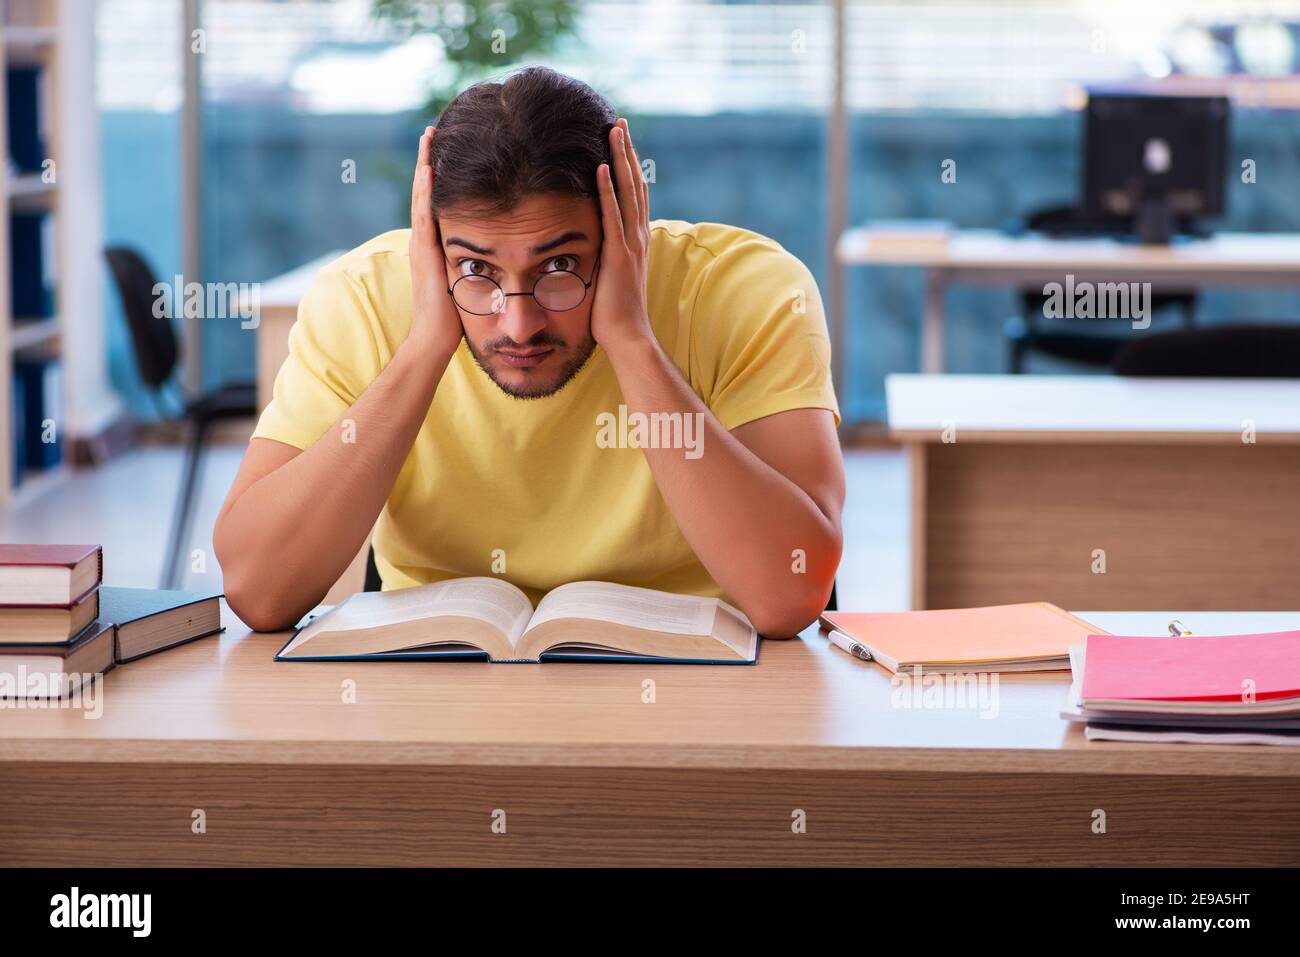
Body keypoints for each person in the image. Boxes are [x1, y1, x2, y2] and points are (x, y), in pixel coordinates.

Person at [214, 66, 844, 637]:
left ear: (627, 224)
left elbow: (787, 595)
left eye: (561, 264)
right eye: (476, 267)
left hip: (704, 688)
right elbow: (258, 592)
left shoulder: (749, 289)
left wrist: (631, 340)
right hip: (435, 688)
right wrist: (426, 346)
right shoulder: (362, 297)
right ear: (430, 243)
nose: (517, 323)